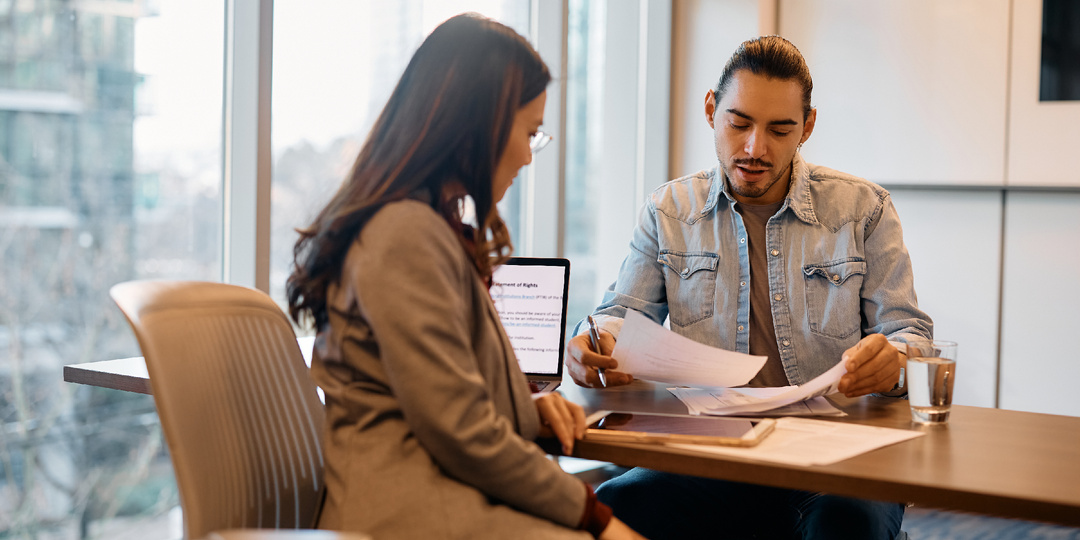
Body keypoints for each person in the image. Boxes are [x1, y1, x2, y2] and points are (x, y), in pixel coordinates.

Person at [286, 14, 644, 540]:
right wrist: (594, 518)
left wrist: (528, 410)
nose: (527, 154)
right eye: (527, 133)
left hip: (436, 495)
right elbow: (461, 430)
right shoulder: (406, 234)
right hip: (405, 513)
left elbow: (444, 397)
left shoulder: (425, 227)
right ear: (477, 127)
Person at [565, 35, 933, 539]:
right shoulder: (669, 211)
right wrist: (596, 344)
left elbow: (910, 333)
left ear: (807, 127)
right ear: (712, 110)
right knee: (611, 509)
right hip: (714, 452)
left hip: (836, 455)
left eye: (780, 129)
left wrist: (894, 360)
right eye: (739, 123)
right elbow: (618, 317)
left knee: (847, 525)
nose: (755, 148)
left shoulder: (862, 209)